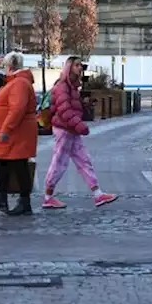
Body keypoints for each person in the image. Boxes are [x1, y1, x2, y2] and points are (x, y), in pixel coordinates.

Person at [42, 57, 117, 209]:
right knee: (59, 162)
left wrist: (83, 107)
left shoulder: (72, 87)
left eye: (80, 65)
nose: (80, 68)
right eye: (76, 65)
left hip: (70, 129)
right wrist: (80, 125)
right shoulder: (63, 86)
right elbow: (64, 110)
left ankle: (98, 194)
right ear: (69, 67)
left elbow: (69, 108)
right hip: (64, 129)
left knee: (83, 160)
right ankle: (48, 196)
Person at [0, 51, 39, 215]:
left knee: (18, 164)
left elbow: (17, 108)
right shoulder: (17, 82)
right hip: (13, 132)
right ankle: (2, 199)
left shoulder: (19, 83)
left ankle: (23, 201)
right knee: (3, 163)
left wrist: (6, 129)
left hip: (15, 133)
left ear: (8, 65)